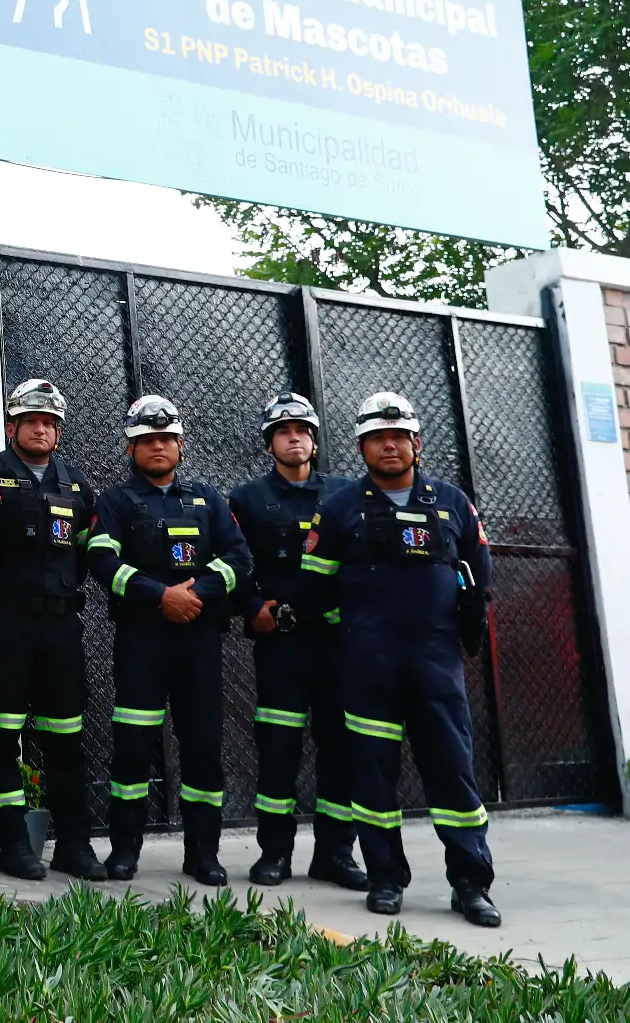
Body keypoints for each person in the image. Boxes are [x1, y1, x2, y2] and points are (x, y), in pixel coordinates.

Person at [300, 392, 500, 927]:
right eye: (377, 438)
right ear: (362, 447)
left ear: (415, 442)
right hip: (368, 665)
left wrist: (467, 632)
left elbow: (479, 575)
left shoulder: (453, 502)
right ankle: (386, 878)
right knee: (371, 776)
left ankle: (470, 883)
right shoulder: (340, 507)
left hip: (436, 661)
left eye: (398, 436)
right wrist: (350, 634)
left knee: (453, 773)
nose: (389, 446)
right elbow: (315, 587)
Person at [85, 396, 253, 886]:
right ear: (132, 447)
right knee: (132, 746)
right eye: (146, 440)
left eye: (165, 438)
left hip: (199, 641)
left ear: (179, 444)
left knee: (202, 745)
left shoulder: (209, 500)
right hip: (142, 642)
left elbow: (238, 559)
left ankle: (203, 854)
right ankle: (124, 851)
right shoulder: (115, 502)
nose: (157, 446)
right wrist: (160, 596)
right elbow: (101, 560)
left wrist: (195, 593)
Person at [226, 393, 368, 891]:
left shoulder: (348, 494)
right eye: (284, 431)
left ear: (313, 440)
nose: (294, 437)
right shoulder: (244, 499)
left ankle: (335, 854)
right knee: (279, 746)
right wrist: (250, 608)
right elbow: (232, 559)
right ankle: (274, 854)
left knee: (341, 746)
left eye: (302, 430)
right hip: (282, 643)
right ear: (270, 443)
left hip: (337, 642)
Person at [0, 379, 106, 882]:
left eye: (50, 422)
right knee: (3, 734)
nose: (42, 429)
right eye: (32, 420)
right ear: (12, 427)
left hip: (61, 627)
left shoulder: (77, 485)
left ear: (59, 431)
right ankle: (13, 846)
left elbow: (91, 550)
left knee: (66, 739)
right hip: (4, 624)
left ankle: (74, 845)